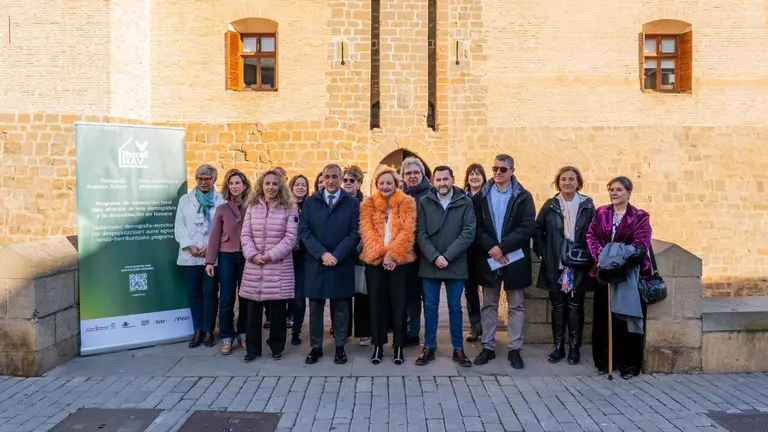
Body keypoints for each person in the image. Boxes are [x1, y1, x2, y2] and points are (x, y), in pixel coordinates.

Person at [472, 154, 535, 369]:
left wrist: (503, 247)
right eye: (495, 168)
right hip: (490, 257)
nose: (498, 172)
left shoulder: (523, 196)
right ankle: (487, 346)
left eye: (502, 169)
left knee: (516, 305)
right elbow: (477, 226)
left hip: (513, 257)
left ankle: (515, 349)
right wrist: (492, 248)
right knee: (489, 304)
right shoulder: (481, 196)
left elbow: (527, 227)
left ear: (512, 171)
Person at [587, 176, 652, 379]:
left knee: (626, 319)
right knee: (603, 318)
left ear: (629, 193)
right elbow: (591, 235)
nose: (614, 193)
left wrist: (617, 262)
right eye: (611, 190)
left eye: (619, 190)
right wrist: (600, 256)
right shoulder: (601, 212)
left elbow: (641, 243)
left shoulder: (640, 216)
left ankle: (629, 365)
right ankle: (606, 361)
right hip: (603, 271)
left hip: (628, 273)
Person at [533, 166, 596, 365]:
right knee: (558, 305)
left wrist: (588, 254)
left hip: (577, 262)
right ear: (558, 183)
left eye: (571, 179)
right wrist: (543, 252)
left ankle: (574, 349)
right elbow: (537, 229)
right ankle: (558, 347)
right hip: (555, 263)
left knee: (575, 305)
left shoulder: (587, 205)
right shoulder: (551, 205)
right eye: (563, 179)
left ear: (578, 183)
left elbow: (594, 232)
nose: (567, 182)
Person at [415, 166, 476, 367]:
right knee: (430, 307)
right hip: (430, 263)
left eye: (445, 179)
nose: (442, 183)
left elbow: (468, 232)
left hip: (455, 262)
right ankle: (429, 346)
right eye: (438, 179)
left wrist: (447, 256)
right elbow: (420, 233)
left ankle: (458, 349)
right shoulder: (424, 202)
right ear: (433, 181)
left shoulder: (465, 202)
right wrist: (434, 257)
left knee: (455, 307)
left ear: (452, 179)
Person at [300, 164, 361, 365]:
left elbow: (354, 233)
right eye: (327, 177)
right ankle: (316, 346)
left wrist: (337, 255)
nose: (331, 180)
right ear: (322, 178)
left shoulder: (351, 203)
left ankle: (340, 346)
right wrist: (323, 254)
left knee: (341, 307)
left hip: (341, 261)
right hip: (316, 262)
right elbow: (305, 232)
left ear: (342, 178)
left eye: (335, 177)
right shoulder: (311, 202)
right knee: (316, 307)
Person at [240, 170, 299, 361]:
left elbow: (290, 238)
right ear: (261, 185)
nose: (271, 187)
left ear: (280, 186)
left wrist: (270, 256)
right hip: (254, 265)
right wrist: (253, 255)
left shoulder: (289, 207)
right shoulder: (251, 206)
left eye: (275, 183)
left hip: (278, 267)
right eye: (267, 183)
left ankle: (276, 346)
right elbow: (245, 234)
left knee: (277, 311)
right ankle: (252, 349)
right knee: (253, 310)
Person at [359, 169, 417, 365]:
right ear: (377, 185)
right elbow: (367, 232)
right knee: (376, 305)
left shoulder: (407, 203)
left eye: (389, 183)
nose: (385, 186)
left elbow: (407, 232)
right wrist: (382, 255)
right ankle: (378, 346)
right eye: (381, 183)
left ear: (396, 184)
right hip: (375, 262)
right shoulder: (368, 204)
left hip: (399, 263)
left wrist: (391, 255)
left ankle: (399, 346)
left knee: (399, 306)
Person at [174, 164, 225, 348]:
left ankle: (209, 329)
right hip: (190, 254)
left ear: (214, 180)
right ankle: (198, 330)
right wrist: (190, 246)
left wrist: (209, 247)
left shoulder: (221, 201)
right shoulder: (185, 200)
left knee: (210, 293)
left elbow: (221, 228)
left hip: (211, 256)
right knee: (194, 292)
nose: (203, 182)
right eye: (200, 179)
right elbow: (179, 225)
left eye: (207, 179)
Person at [205, 169, 252, 355]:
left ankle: (243, 333)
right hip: (226, 256)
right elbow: (214, 236)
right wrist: (210, 261)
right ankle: (226, 336)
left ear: (244, 185)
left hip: (247, 257)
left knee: (246, 297)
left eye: (237, 183)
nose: (234, 186)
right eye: (231, 183)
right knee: (226, 298)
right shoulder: (222, 209)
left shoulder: (251, 207)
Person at [401, 157, 432, 346]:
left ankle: (430, 337)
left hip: (427, 254)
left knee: (429, 297)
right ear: (403, 176)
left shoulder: (431, 194)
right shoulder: (398, 195)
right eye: (408, 173)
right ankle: (412, 332)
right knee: (410, 295)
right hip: (406, 255)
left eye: (416, 173)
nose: (412, 176)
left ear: (422, 174)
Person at [343, 165, 371, 346]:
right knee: (343, 294)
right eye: (344, 180)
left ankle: (364, 332)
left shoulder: (367, 203)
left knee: (362, 295)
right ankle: (342, 330)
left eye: (351, 181)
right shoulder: (339, 201)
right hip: (343, 254)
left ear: (359, 183)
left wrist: (357, 247)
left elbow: (368, 228)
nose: (347, 184)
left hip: (361, 253)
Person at [462, 163, 487, 342]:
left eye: (478, 174)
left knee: (488, 290)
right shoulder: (461, 197)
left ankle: (488, 324)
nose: (475, 177)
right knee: (470, 290)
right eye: (471, 174)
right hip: (467, 250)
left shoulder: (490, 196)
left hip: (485, 249)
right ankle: (475, 325)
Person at [289, 174, 310, 346]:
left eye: (303, 185)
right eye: (297, 185)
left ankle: (296, 330)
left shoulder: (310, 206)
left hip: (303, 256)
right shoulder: (285, 206)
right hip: (286, 255)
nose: (300, 188)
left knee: (299, 295)